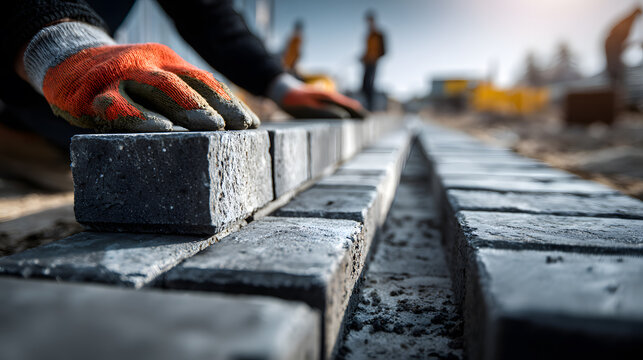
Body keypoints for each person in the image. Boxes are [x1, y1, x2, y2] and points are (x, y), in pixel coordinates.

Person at [0, 0, 366, 152]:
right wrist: (58, 42)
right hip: (25, 66)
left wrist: (280, 84)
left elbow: (206, 13)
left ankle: (38, 144)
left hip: (49, 107)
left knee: (116, 129)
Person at [604, 7, 642, 95]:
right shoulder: (628, 21)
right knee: (615, 70)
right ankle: (614, 93)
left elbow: (622, 43)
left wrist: (634, 44)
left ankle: (616, 93)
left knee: (617, 70)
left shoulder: (629, 21)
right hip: (611, 44)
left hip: (612, 44)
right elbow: (619, 41)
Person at [360, 10, 386, 111]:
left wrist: (375, 57)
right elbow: (366, 50)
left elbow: (384, 50)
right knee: (363, 85)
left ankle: (371, 108)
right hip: (366, 63)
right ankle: (366, 106)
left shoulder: (379, 35)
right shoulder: (368, 36)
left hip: (374, 63)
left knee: (370, 85)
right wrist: (363, 57)